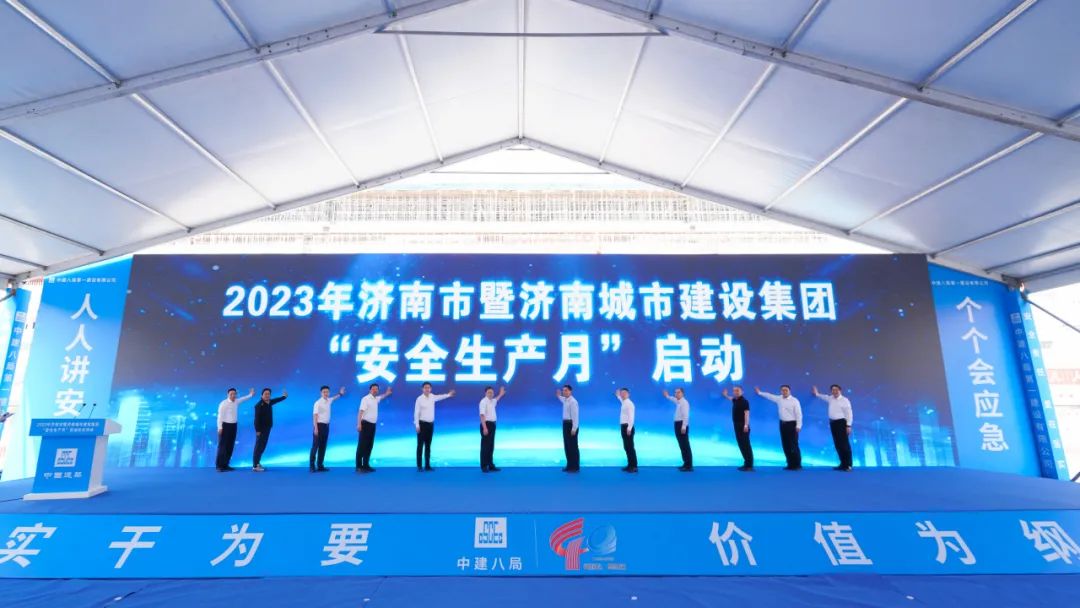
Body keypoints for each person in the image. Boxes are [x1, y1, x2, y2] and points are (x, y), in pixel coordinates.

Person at [755, 385, 802, 470]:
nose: (784, 392)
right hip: (782, 424)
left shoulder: (794, 401)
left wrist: (799, 425)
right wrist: (760, 393)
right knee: (785, 444)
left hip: (792, 425)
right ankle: (790, 464)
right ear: (781, 391)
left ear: (789, 391)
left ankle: (797, 464)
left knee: (793, 444)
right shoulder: (779, 398)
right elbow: (770, 396)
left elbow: (799, 414)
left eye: (786, 390)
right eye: (782, 390)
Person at [414, 382, 454, 472]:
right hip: (422, 424)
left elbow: (440, 397)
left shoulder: (432, 396)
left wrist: (448, 395)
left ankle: (427, 465)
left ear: (430, 389)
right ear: (422, 389)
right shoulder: (419, 399)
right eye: (425, 387)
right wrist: (417, 425)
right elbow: (416, 413)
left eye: (428, 387)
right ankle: (419, 466)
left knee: (428, 446)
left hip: (430, 425)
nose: (427, 389)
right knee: (420, 445)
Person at [813, 384, 854, 471]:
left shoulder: (845, 400)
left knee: (844, 444)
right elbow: (824, 397)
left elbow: (849, 414)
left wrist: (848, 425)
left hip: (841, 423)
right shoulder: (831, 398)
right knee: (837, 444)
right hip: (833, 423)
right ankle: (842, 464)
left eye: (836, 390)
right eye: (833, 390)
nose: (834, 391)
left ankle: (848, 465)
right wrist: (817, 394)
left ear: (840, 390)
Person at [216, 387, 254, 472]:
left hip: (233, 426)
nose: (233, 395)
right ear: (228, 394)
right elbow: (219, 417)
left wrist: (251, 395)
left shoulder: (236, 401)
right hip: (225, 426)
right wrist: (220, 427)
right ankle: (219, 466)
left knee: (230, 446)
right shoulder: (223, 404)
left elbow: (243, 399)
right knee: (222, 446)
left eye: (234, 394)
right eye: (231, 394)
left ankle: (226, 465)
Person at [356, 383, 391, 473]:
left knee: (369, 445)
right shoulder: (365, 399)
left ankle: (366, 465)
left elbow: (381, 397)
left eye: (376, 389)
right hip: (365, 424)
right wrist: (359, 424)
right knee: (362, 445)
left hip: (372, 425)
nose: (375, 390)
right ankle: (359, 466)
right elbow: (360, 412)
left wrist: (387, 393)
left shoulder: (376, 399)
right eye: (373, 389)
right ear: (370, 390)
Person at [252, 387, 288, 472]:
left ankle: (258, 463)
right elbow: (256, 419)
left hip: (267, 428)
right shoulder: (259, 405)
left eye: (268, 394)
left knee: (262, 447)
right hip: (261, 430)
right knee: (258, 447)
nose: (267, 395)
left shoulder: (269, 402)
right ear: (262, 395)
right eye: (265, 394)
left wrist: (284, 397)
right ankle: (255, 466)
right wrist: (257, 430)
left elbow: (276, 400)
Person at [311, 385, 345, 472]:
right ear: (321, 393)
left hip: (326, 426)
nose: (326, 393)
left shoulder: (329, 400)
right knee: (315, 446)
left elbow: (334, 398)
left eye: (327, 392)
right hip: (319, 426)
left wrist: (340, 394)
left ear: (329, 392)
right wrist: (315, 428)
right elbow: (315, 416)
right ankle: (312, 466)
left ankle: (320, 465)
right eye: (324, 392)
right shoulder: (318, 403)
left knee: (323, 446)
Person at [721, 386, 754, 471]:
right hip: (736, 425)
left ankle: (749, 465)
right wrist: (725, 395)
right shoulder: (735, 400)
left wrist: (746, 425)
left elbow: (747, 414)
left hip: (743, 425)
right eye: (734, 391)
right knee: (741, 445)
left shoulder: (745, 401)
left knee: (746, 445)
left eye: (737, 390)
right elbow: (730, 398)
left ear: (742, 391)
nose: (735, 392)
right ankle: (746, 463)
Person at [663, 388, 693, 471]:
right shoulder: (679, 402)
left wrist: (683, 427)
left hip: (681, 425)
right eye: (675, 392)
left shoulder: (684, 403)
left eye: (678, 392)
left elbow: (686, 416)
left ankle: (689, 466)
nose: (676, 394)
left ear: (682, 393)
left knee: (685, 445)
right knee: (682, 445)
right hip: (678, 424)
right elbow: (673, 399)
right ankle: (686, 463)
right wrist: (667, 396)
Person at [479, 386, 506, 472]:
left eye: (492, 392)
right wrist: (484, 428)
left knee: (491, 446)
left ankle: (490, 465)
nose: (490, 394)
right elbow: (482, 415)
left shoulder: (492, 401)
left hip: (492, 425)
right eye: (489, 392)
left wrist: (501, 394)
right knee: (485, 447)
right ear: (485, 393)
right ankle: (484, 466)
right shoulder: (483, 402)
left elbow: (497, 399)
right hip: (486, 425)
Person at [555, 385, 580, 472]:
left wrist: (574, 428)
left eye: (566, 390)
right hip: (565, 424)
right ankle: (569, 465)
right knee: (567, 446)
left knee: (573, 447)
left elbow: (575, 416)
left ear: (570, 391)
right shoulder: (566, 400)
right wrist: (558, 396)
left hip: (571, 425)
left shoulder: (573, 402)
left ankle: (575, 466)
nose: (564, 392)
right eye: (563, 390)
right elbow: (562, 399)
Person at [616, 388, 637, 473]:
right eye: (621, 393)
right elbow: (621, 401)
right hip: (624, 427)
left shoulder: (629, 403)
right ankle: (630, 465)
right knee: (627, 447)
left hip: (627, 427)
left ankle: (634, 466)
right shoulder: (624, 402)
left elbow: (631, 417)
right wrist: (618, 396)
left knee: (630, 447)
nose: (623, 394)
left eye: (624, 393)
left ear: (628, 394)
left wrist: (629, 428)